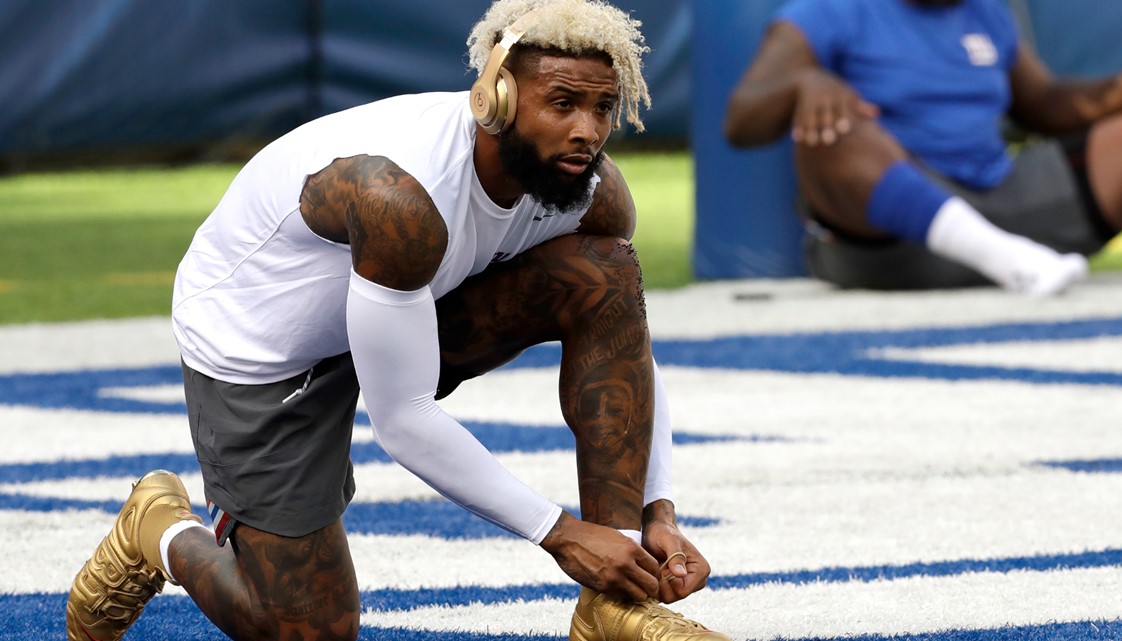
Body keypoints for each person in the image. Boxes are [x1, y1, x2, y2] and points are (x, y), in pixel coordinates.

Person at [65, 1, 729, 640]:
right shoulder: (400, 195)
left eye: (602, 107)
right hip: (265, 344)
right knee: (305, 630)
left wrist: (653, 513)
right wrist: (559, 531)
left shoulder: (589, 191)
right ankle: (160, 524)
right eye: (561, 103)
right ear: (493, 98)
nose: (585, 130)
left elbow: (626, 345)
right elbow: (403, 419)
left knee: (606, 271)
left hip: (411, 303)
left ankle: (612, 604)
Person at [723, 0, 1122, 296]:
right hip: (893, 239)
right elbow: (741, 120)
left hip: (1007, 206)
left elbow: (1045, 106)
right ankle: (1001, 256)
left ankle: (1011, 257)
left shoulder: (986, 11)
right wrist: (806, 83)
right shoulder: (829, 10)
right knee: (832, 123)